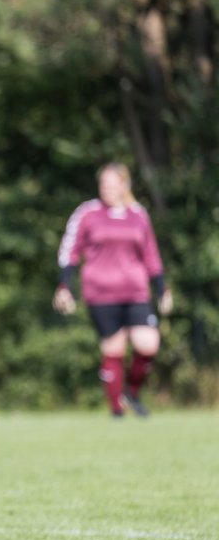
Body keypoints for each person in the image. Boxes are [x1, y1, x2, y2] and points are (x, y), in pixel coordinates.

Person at [54, 162, 173, 417]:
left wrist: (162, 288)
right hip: (101, 293)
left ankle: (132, 392)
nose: (106, 188)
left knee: (148, 344)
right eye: (102, 184)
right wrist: (65, 285)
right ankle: (116, 409)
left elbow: (151, 254)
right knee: (114, 348)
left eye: (111, 183)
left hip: (136, 291)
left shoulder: (138, 214)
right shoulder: (88, 212)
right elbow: (69, 250)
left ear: (124, 185)